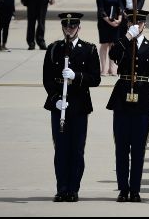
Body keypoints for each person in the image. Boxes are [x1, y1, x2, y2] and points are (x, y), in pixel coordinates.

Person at [42, 12, 101, 202]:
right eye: (66, 27)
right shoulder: (53, 49)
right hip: (59, 104)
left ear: (79, 27)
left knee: (76, 149)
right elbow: (47, 79)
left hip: (79, 105)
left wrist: (77, 76)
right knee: (61, 149)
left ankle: (73, 189)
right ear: (62, 28)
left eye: (73, 26)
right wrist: (54, 99)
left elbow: (95, 79)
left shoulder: (89, 50)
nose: (69, 29)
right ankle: (62, 188)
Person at [107, 9, 149, 202]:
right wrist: (126, 36)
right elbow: (113, 55)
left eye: (139, 24)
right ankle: (123, 189)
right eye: (132, 24)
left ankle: (135, 189)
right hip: (122, 99)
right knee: (121, 148)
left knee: (139, 149)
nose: (136, 27)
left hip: (143, 101)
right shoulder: (123, 44)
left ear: (144, 25)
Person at [96, 0, 122, 76]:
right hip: (104, 23)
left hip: (115, 23)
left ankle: (112, 68)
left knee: (113, 45)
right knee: (105, 44)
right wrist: (110, 22)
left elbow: (120, 8)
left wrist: (119, 20)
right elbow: (101, 10)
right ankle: (104, 68)